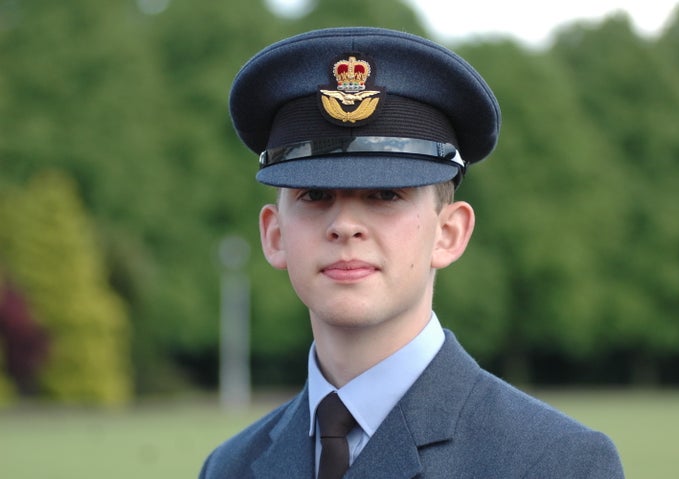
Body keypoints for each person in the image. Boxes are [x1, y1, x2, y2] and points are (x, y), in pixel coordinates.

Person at [200, 27, 625, 478]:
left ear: (449, 232)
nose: (345, 225)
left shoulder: (555, 462)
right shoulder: (231, 466)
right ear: (274, 235)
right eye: (316, 194)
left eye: (385, 195)